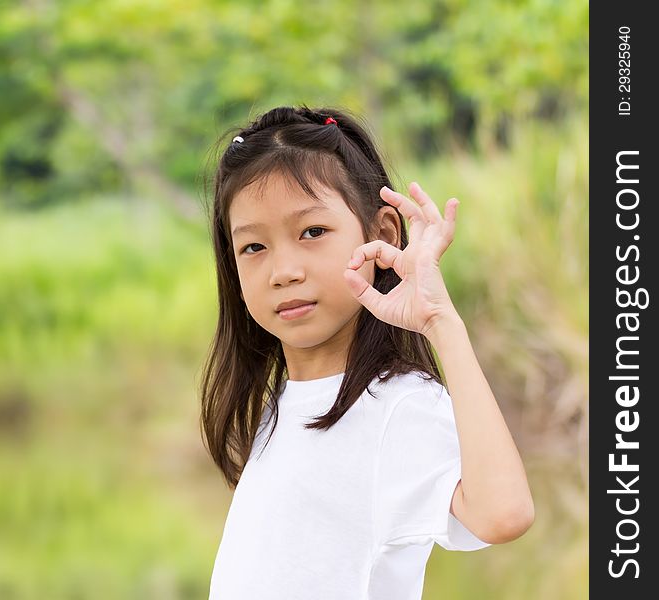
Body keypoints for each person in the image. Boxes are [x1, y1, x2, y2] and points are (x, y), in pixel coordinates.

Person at [198, 105, 535, 599]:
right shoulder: (283, 406)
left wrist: (442, 323)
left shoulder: (396, 405)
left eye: (312, 232)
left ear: (382, 234)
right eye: (253, 247)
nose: (283, 270)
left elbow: (502, 515)